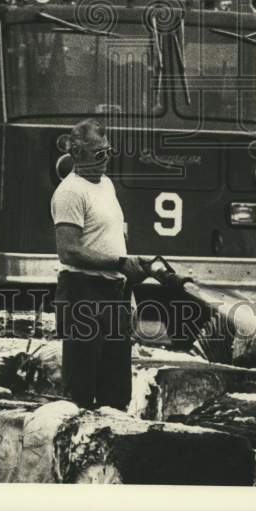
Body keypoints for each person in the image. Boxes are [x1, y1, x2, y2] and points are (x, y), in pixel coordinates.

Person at [51, 117, 148, 410]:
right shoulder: (70, 192)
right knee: (80, 388)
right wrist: (119, 262)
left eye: (108, 152)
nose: (106, 160)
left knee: (116, 390)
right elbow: (68, 251)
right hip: (83, 293)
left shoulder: (105, 185)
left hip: (112, 293)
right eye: (99, 154)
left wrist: (127, 278)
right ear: (77, 155)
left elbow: (109, 237)